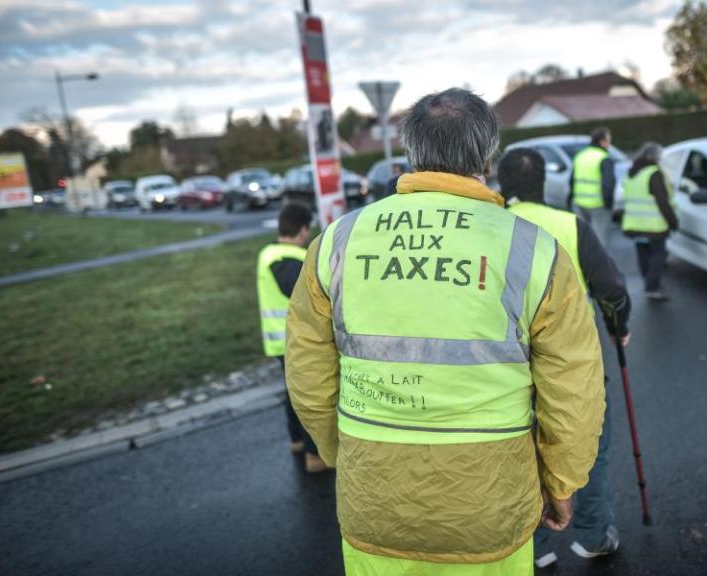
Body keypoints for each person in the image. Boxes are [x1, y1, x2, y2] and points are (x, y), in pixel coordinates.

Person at [286, 88, 605, 575]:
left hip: (374, 503)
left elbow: (308, 376)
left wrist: (344, 453)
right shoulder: (532, 247)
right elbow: (574, 389)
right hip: (490, 509)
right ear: (487, 154)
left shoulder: (337, 242)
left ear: (412, 153)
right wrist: (562, 483)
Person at [499, 148, 630, 568]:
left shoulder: (491, 227)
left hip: (509, 365)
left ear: (502, 184)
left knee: (523, 453)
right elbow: (611, 288)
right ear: (543, 184)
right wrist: (618, 327)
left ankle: (534, 547)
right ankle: (593, 535)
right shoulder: (571, 225)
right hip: (572, 364)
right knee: (589, 448)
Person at [255, 203, 325, 473]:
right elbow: (298, 291)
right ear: (304, 229)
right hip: (294, 340)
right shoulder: (286, 258)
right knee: (307, 395)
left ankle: (296, 441)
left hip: (279, 339)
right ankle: (314, 455)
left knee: (292, 391)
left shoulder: (268, 253)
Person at [618, 142, 678, 301]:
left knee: (643, 253)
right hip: (654, 226)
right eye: (659, 155)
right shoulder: (654, 173)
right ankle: (652, 287)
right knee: (659, 255)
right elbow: (663, 202)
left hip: (634, 224)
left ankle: (649, 282)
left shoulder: (631, 173)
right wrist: (673, 222)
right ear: (653, 156)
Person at [569, 127, 616, 245]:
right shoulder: (603, 158)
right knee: (600, 241)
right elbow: (608, 185)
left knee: (582, 239)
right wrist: (609, 205)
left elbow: (571, 181)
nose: (610, 143)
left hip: (579, 203)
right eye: (609, 140)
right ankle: (600, 263)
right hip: (598, 205)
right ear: (602, 141)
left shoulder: (580, 156)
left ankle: (583, 263)